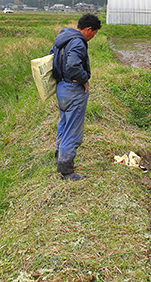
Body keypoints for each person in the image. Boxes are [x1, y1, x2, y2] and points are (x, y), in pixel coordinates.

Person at [50, 13, 101, 181]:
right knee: (73, 129)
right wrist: (84, 78)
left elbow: (52, 57)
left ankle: (59, 157)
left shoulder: (63, 37)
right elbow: (73, 65)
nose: (92, 38)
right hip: (73, 89)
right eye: (93, 34)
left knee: (64, 123)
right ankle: (66, 169)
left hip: (62, 87)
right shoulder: (78, 42)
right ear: (88, 29)